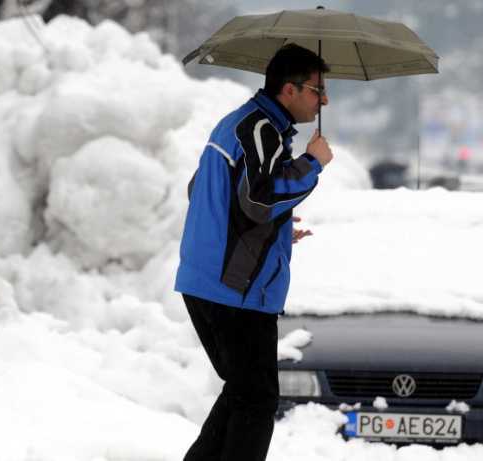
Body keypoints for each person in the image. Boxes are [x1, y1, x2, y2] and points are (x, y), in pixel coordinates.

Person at [174, 44, 334, 461]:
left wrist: (274, 230)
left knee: (243, 394)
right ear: (289, 89)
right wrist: (311, 163)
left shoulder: (243, 124)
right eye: (318, 90)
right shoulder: (260, 129)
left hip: (209, 282)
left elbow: (206, 190)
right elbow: (260, 201)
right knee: (256, 402)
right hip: (234, 288)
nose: (325, 100)